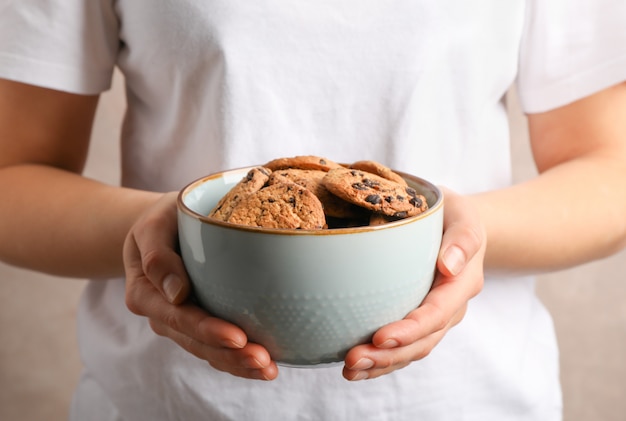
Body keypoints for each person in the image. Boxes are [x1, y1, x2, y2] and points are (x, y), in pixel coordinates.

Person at [1, 1, 625, 419]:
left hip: (468, 400)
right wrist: (168, 232)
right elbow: (13, 176)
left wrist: (457, 232)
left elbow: (610, 171)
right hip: (168, 402)